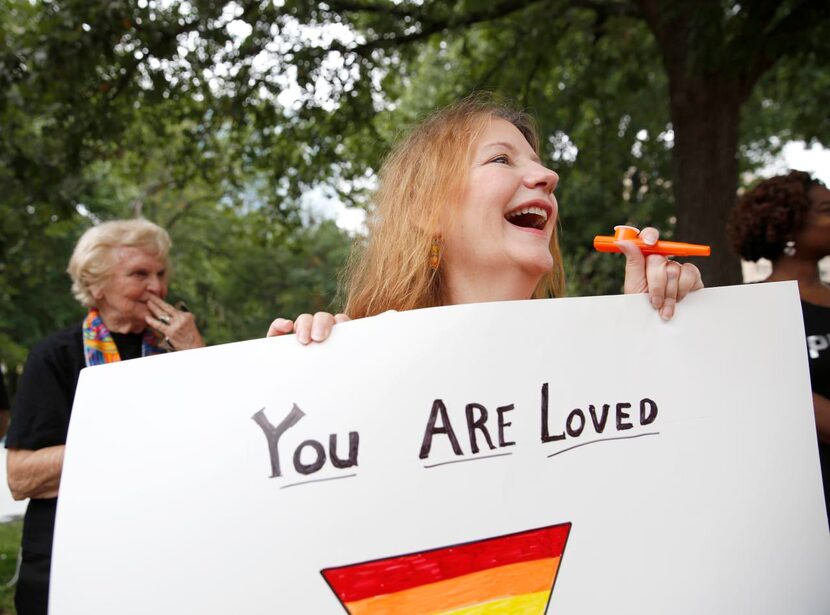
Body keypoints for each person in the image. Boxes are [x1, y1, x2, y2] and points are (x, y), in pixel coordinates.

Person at [267, 94, 703, 342]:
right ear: (426, 210)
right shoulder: (359, 352)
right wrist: (303, 370)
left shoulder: (595, 352)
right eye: (500, 160)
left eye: (539, 164)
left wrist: (653, 331)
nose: (549, 176)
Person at [5, 218, 205, 615]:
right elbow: (21, 476)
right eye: (139, 274)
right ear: (97, 285)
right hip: (69, 559)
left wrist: (198, 355)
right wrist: (126, 445)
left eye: (161, 274)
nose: (158, 287)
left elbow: (219, 441)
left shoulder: (179, 349)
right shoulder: (55, 356)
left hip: (164, 554)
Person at [728, 170, 830, 524]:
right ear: (788, 228)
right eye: (826, 209)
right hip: (804, 499)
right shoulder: (752, 309)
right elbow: (785, 396)